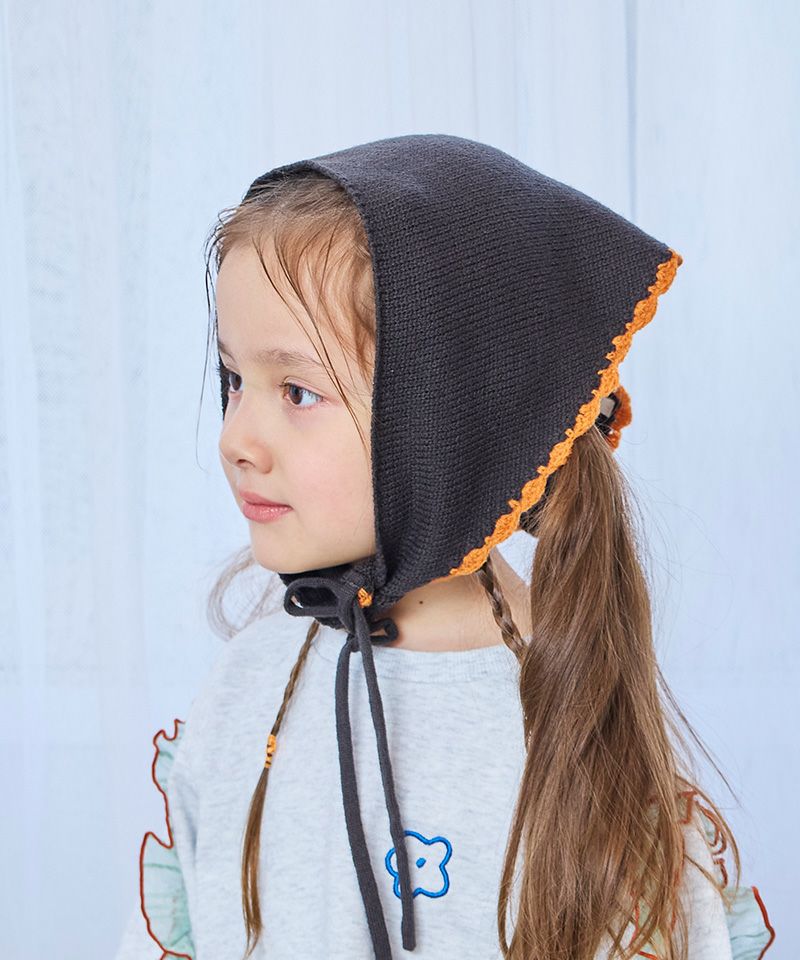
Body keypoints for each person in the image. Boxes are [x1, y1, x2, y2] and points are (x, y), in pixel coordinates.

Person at [113, 134, 775, 960]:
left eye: (298, 391)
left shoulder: (569, 713)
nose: (236, 439)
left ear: (443, 418)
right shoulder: (249, 680)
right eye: (234, 380)